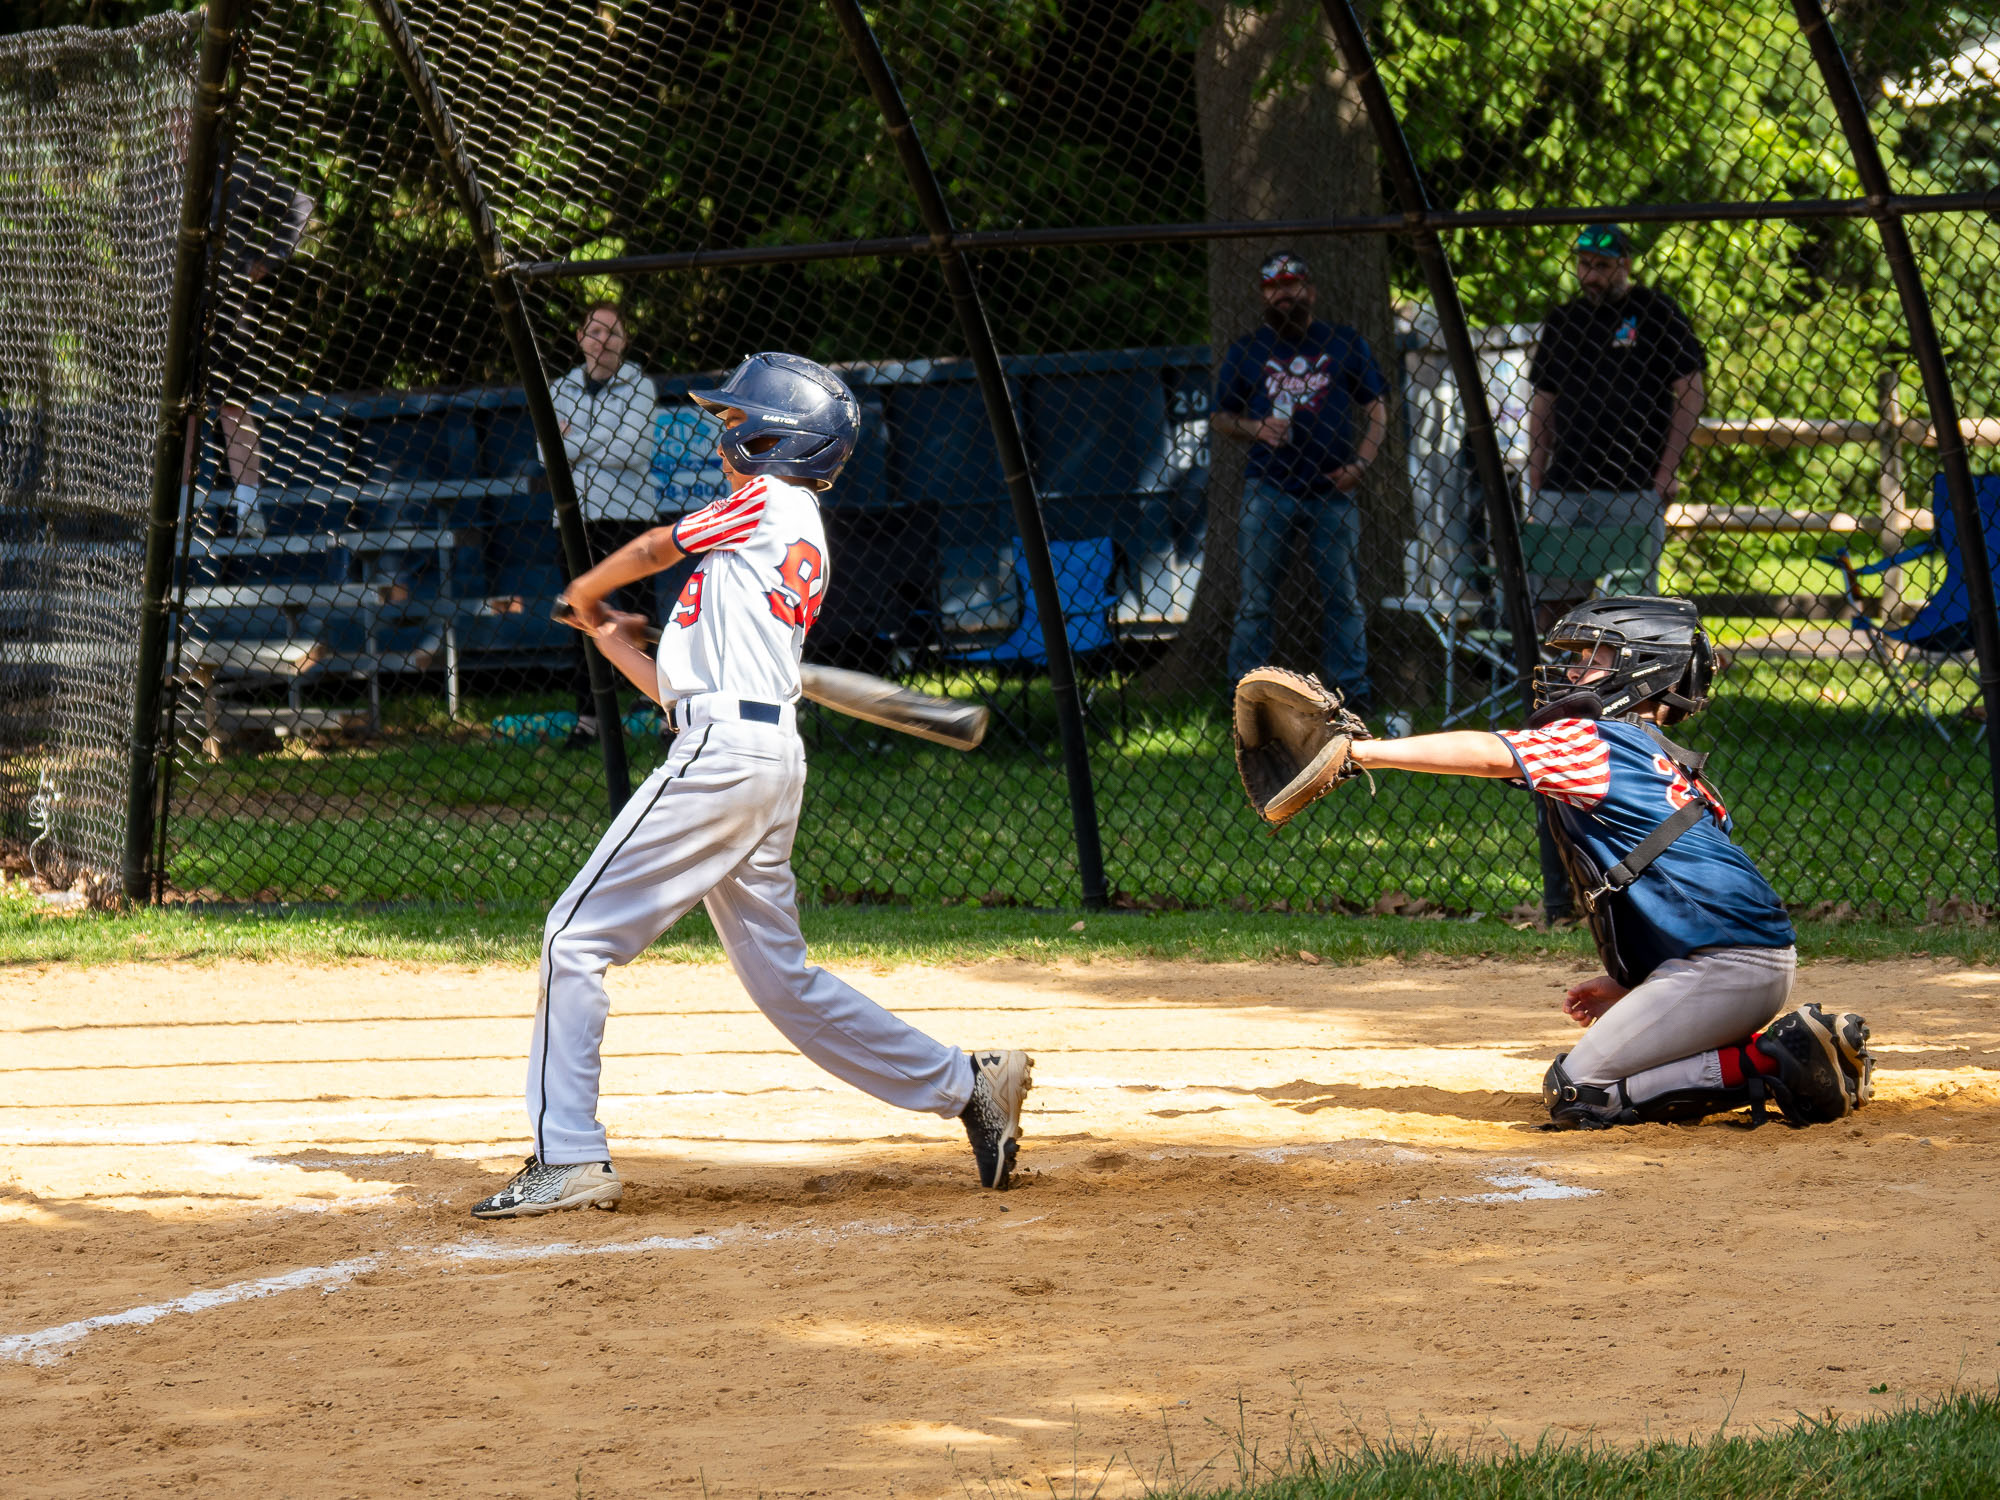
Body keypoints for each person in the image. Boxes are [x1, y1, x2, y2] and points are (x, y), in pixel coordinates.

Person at [470, 352, 1032, 1218]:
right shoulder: (762, 544)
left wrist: (586, 581)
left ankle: (568, 1156)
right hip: (750, 753)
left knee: (573, 941)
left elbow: (657, 545)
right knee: (784, 984)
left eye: (738, 424)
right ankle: (968, 1083)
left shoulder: (770, 503)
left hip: (726, 758)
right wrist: (609, 632)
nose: (725, 436)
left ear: (780, 439)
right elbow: (674, 691)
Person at [1339, 595, 1874, 1130]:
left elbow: (1488, 752)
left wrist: (1361, 752)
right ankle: (1799, 1052)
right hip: (1747, 964)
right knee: (1607, 1079)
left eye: (1592, 658)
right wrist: (1640, 983)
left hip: (1725, 970)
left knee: (1581, 1094)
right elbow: (1683, 893)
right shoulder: (1661, 760)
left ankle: (1778, 1059)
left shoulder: (1596, 740)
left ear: (1643, 670)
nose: (1571, 671)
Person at [1215, 250, 1387, 710]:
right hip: (1267, 490)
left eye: (1292, 284)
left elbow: (1378, 412)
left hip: (1333, 492)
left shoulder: (1344, 342)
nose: (1284, 294)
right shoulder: (1247, 350)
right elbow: (1221, 417)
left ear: (1310, 290)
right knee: (1255, 602)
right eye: (1273, 287)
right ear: (1262, 295)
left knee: (1343, 600)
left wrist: (1361, 466)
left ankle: (1353, 695)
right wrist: (1257, 428)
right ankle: (1244, 698)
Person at [1525, 225, 1706, 632]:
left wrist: (1667, 470)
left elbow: (1691, 392)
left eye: (1602, 266)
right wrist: (1536, 476)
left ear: (1625, 264)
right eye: (1584, 265)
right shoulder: (1563, 320)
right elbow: (1543, 401)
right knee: (1553, 602)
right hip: (1564, 486)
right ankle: (1553, 688)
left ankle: (1632, 689)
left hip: (1634, 483)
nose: (1590, 276)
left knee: (1636, 607)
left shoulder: (1656, 312)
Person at [550, 303, 668, 748]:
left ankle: (664, 713)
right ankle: (591, 718)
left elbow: (633, 452)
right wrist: (605, 435)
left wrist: (574, 441)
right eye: (595, 332)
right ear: (580, 337)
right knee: (580, 614)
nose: (603, 340)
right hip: (576, 518)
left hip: (630, 518)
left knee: (643, 615)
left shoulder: (640, 386)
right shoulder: (559, 388)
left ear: (624, 342)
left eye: (613, 333)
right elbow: (548, 456)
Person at [207, 154, 314, 537]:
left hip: (229, 303)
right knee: (180, 414)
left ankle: (249, 509)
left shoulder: (234, 169)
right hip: (176, 307)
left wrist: (270, 257)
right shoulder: (154, 172)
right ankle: (178, 512)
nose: (181, 126)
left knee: (233, 406)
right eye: (175, 116)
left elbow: (298, 201)